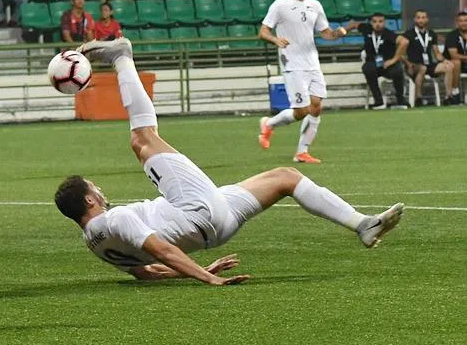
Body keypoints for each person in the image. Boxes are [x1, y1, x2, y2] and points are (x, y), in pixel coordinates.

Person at [55, 38, 404, 284]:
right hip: (194, 210)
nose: (101, 190)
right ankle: (121, 57)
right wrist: (206, 277)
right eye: (94, 188)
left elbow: (147, 272)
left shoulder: (95, 246)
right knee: (142, 139)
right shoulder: (115, 219)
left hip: (216, 231)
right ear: (89, 200)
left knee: (286, 177)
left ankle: (362, 224)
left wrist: (199, 267)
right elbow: (160, 249)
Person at [257, 0, 349, 164]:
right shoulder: (280, 5)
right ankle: (269, 124)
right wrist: (275, 40)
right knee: (301, 111)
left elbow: (325, 32)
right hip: (292, 63)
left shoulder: (315, 5)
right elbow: (263, 31)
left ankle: (302, 152)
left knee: (316, 107)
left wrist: (337, 34)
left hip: (312, 62)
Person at [347, 12, 408, 109]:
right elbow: (354, 24)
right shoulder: (366, 29)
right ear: (371, 22)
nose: (378, 24)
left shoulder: (388, 34)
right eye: (375, 22)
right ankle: (378, 101)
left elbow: (404, 42)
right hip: (373, 64)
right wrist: (341, 32)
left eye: (380, 21)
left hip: (387, 65)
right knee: (367, 68)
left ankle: (401, 100)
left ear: (385, 23)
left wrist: (393, 60)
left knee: (397, 70)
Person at [402, 9, 458, 106]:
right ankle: (418, 98)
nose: (421, 20)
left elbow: (437, 54)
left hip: (428, 64)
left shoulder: (431, 34)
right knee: (422, 68)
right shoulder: (408, 34)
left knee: (449, 66)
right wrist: (408, 64)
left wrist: (445, 61)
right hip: (414, 65)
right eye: (418, 18)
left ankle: (448, 97)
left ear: (427, 19)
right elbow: (401, 54)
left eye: (423, 18)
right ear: (415, 19)